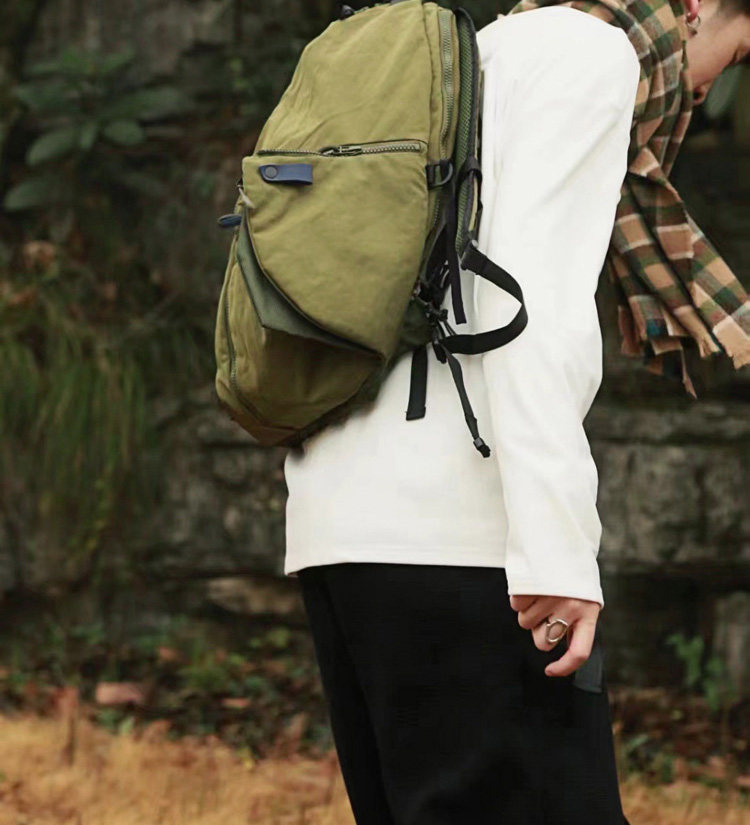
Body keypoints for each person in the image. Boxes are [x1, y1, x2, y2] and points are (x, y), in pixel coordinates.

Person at [283, 0, 750, 822]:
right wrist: (557, 555)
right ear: (699, 6)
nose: (710, 88)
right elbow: (528, 315)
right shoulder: (592, 58)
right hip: (459, 543)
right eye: (738, 54)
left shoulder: (482, 53)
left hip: (340, 524)